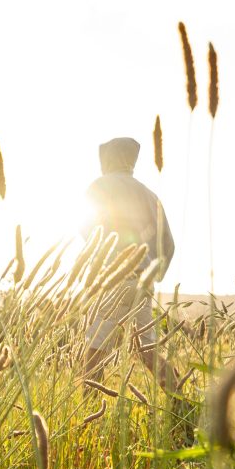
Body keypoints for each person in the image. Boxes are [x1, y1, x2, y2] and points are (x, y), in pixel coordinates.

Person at [81, 137, 177, 390]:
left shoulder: (100, 186)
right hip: (142, 282)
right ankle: (181, 405)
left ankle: (85, 426)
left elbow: (86, 230)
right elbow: (168, 245)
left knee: (95, 352)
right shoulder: (150, 195)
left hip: (112, 281)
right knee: (147, 349)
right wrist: (152, 276)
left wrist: (97, 262)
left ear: (108, 159)